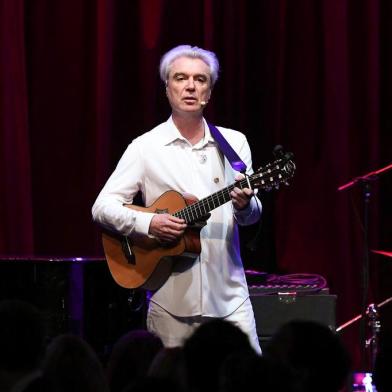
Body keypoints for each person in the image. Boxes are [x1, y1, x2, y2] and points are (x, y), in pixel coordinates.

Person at [92, 44, 262, 353]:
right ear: (167, 87)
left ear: (209, 91)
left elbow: (252, 215)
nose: (190, 86)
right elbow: (102, 207)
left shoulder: (234, 143)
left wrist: (245, 204)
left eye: (200, 79)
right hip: (169, 302)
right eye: (180, 77)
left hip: (231, 300)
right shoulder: (146, 147)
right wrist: (150, 222)